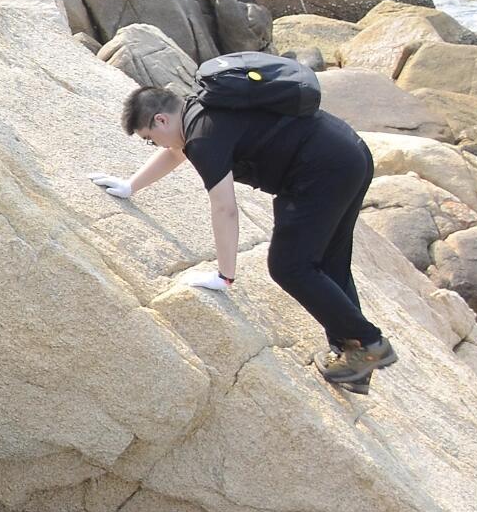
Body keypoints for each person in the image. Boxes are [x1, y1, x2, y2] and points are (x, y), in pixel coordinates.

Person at [94, 81, 398, 392]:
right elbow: (175, 152)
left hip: (321, 169)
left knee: (289, 267)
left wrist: (224, 276)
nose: (156, 145)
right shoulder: (200, 108)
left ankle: (370, 344)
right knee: (328, 260)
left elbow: (225, 209)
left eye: (149, 139)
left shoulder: (203, 139)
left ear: (161, 120)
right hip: (350, 152)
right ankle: (354, 358)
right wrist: (131, 185)